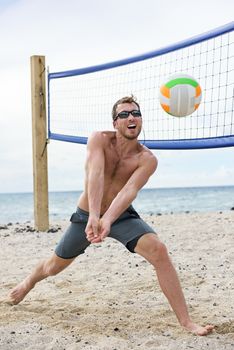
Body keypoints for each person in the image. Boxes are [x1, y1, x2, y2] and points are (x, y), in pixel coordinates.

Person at [7, 96, 213, 336]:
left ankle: (187, 322)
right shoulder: (99, 140)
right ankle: (28, 283)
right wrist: (94, 216)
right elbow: (95, 175)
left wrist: (107, 219)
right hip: (86, 214)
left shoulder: (147, 159)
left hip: (121, 215)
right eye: (124, 114)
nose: (131, 117)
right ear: (115, 122)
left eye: (135, 113)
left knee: (159, 250)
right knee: (53, 267)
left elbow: (129, 191)